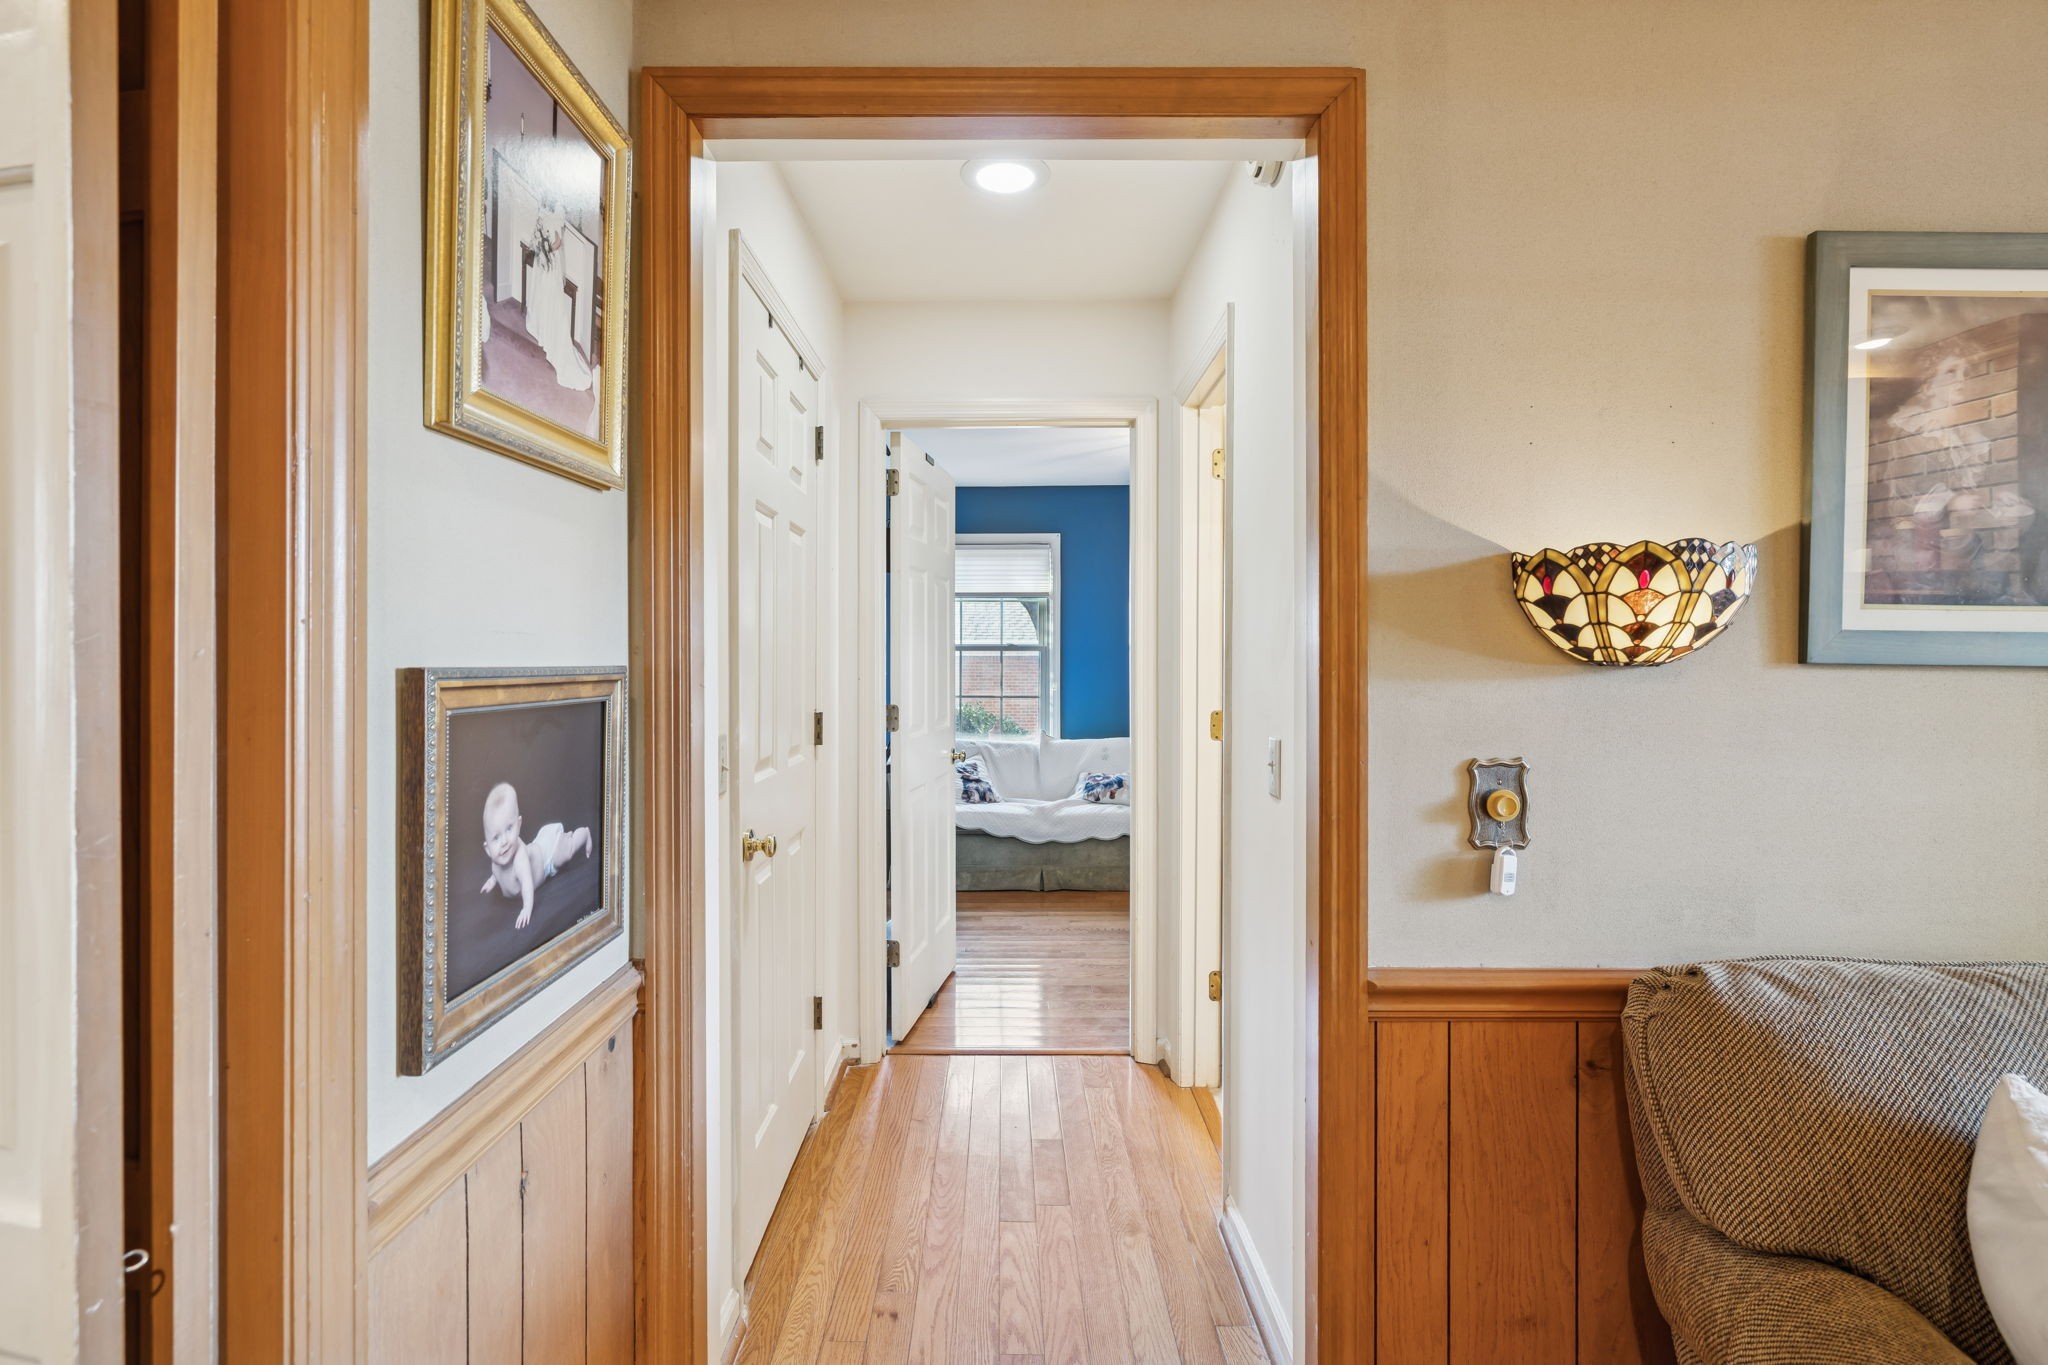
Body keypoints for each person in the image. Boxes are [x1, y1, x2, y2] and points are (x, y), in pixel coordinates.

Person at [479, 781, 592, 929]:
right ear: (488, 850)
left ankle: (584, 833)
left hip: (548, 854)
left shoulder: (520, 858)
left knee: (567, 852)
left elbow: (527, 885)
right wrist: (492, 881)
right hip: (538, 846)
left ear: (519, 825)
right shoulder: (496, 863)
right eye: (496, 838)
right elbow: (497, 872)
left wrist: (526, 909)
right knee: (563, 848)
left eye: (509, 828)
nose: (504, 841)